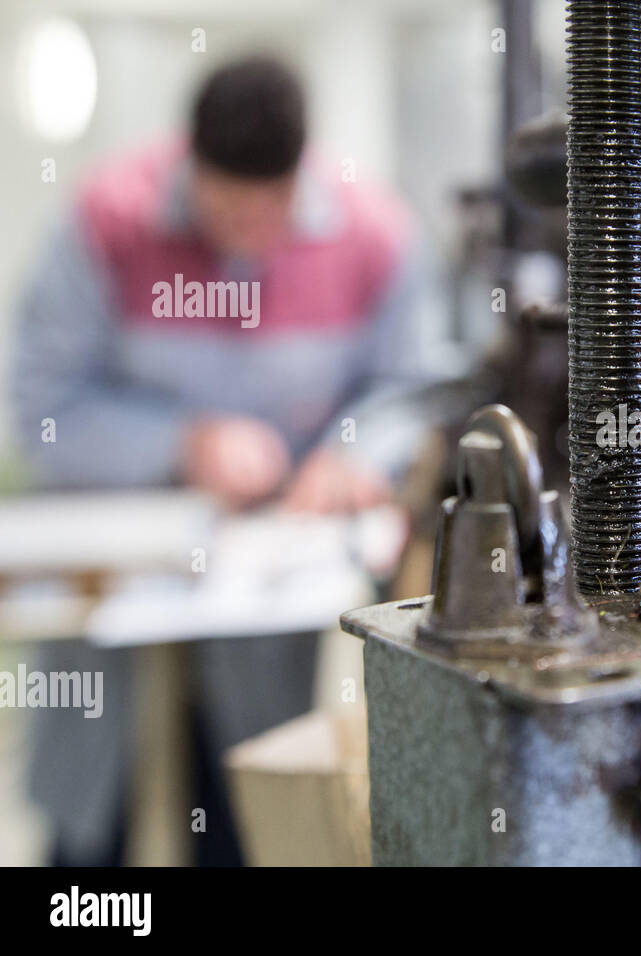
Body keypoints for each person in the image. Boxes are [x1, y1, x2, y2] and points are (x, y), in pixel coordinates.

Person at [12, 55, 450, 864]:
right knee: (89, 838)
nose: (247, 243)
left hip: (270, 611)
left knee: (252, 820)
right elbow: (34, 409)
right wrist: (176, 444)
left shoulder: (373, 236)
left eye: (269, 216)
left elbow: (416, 389)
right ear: (191, 164)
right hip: (110, 603)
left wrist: (352, 451)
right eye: (226, 213)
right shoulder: (106, 222)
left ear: (300, 178)